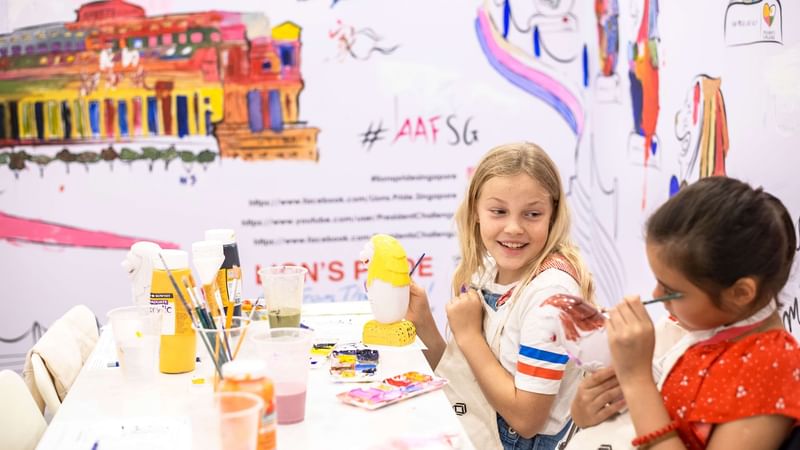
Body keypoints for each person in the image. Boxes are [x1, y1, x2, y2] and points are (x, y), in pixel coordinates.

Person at [571, 176, 800, 449]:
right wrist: (589, 408)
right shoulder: (697, 331)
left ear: (740, 293)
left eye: (670, 290)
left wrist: (637, 380)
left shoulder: (771, 368)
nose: (656, 296)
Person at [407, 142, 595, 450]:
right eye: (498, 211)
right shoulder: (489, 270)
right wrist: (423, 321)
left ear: (553, 214)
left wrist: (468, 335)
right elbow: (468, 379)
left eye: (532, 214)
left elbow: (527, 419)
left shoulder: (551, 297)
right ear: (476, 211)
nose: (513, 228)